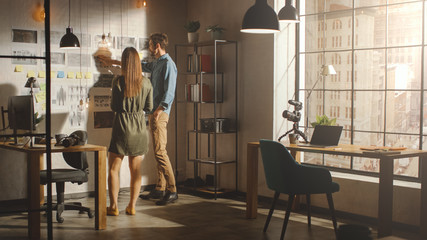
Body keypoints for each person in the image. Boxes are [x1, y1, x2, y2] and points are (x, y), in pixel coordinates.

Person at [99, 32, 178, 206]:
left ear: (156, 46)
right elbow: (137, 65)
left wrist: (158, 110)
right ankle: (159, 187)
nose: (149, 48)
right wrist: (113, 62)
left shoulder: (169, 65)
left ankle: (172, 189)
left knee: (160, 152)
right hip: (153, 111)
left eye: (150, 45)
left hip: (160, 112)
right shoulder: (157, 63)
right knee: (157, 152)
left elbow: (169, 92)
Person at [106, 47, 153, 216]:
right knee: (136, 171)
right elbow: (149, 107)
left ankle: (113, 207)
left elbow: (114, 107)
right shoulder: (147, 83)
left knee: (113, 169)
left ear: (125, 63)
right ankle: (131, 206)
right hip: (139, 129)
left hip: (121, 127)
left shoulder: (118, 82)